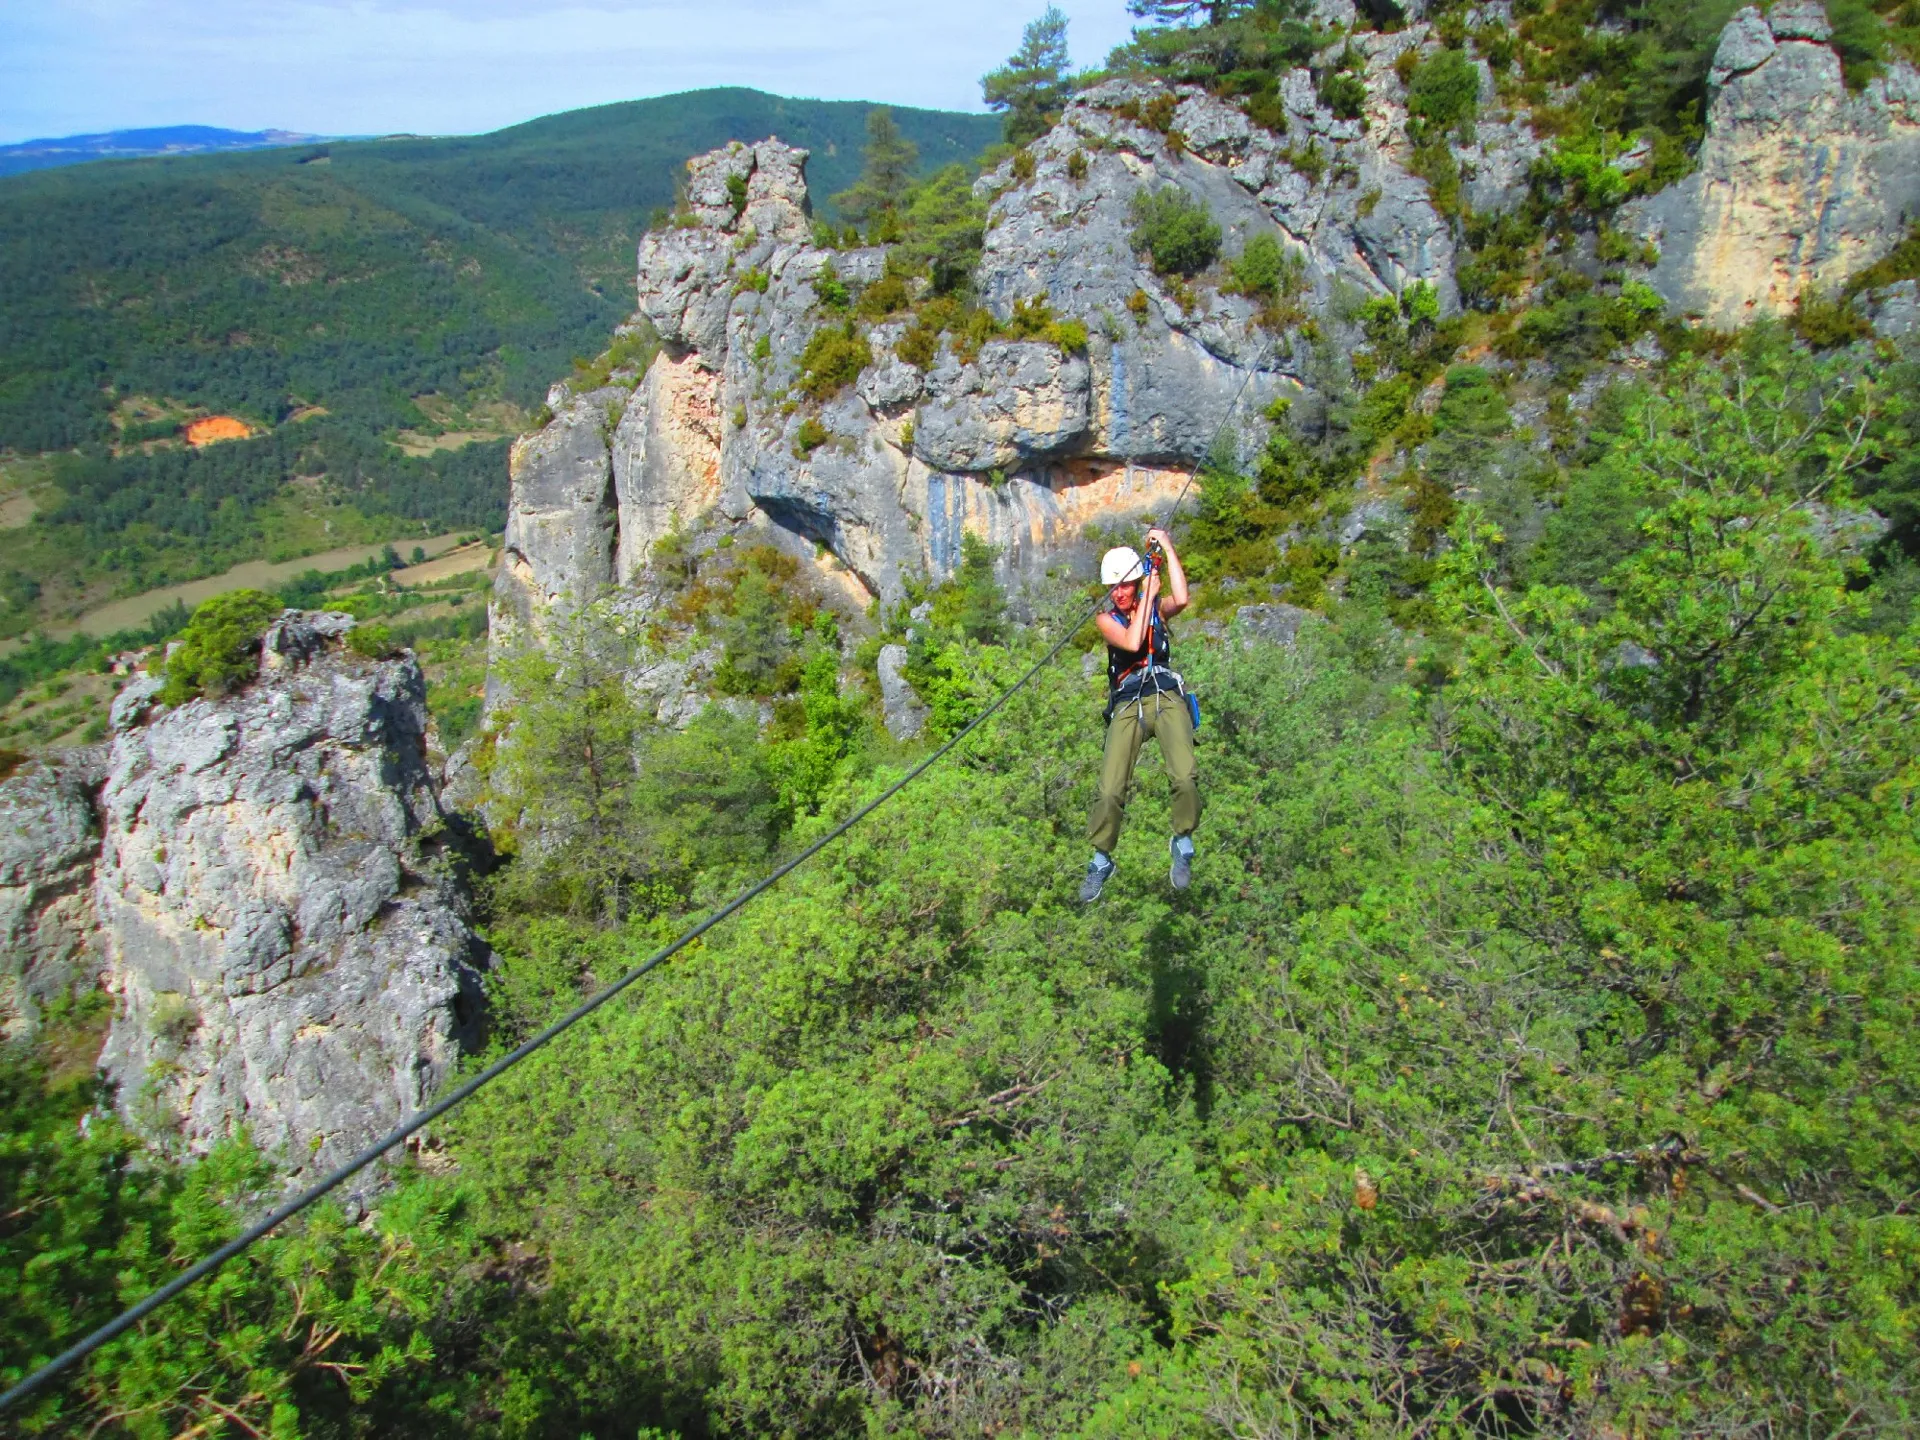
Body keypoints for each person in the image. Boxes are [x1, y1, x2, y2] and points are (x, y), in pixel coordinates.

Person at [1080, 526, 1199, 902]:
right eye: (1113, 588)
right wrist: (1147, 591)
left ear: (1134, 583)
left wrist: (1164, 545)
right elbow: (1132, 641)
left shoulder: (1156, 612)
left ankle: (1182, 842)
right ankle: (1101, 859)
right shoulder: (1107, 621)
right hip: (1129, 702)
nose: (1118, 593)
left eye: (1124, 586)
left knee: (1185, 776)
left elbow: (1181, 597)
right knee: (1110, 788)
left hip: (1164, 692)